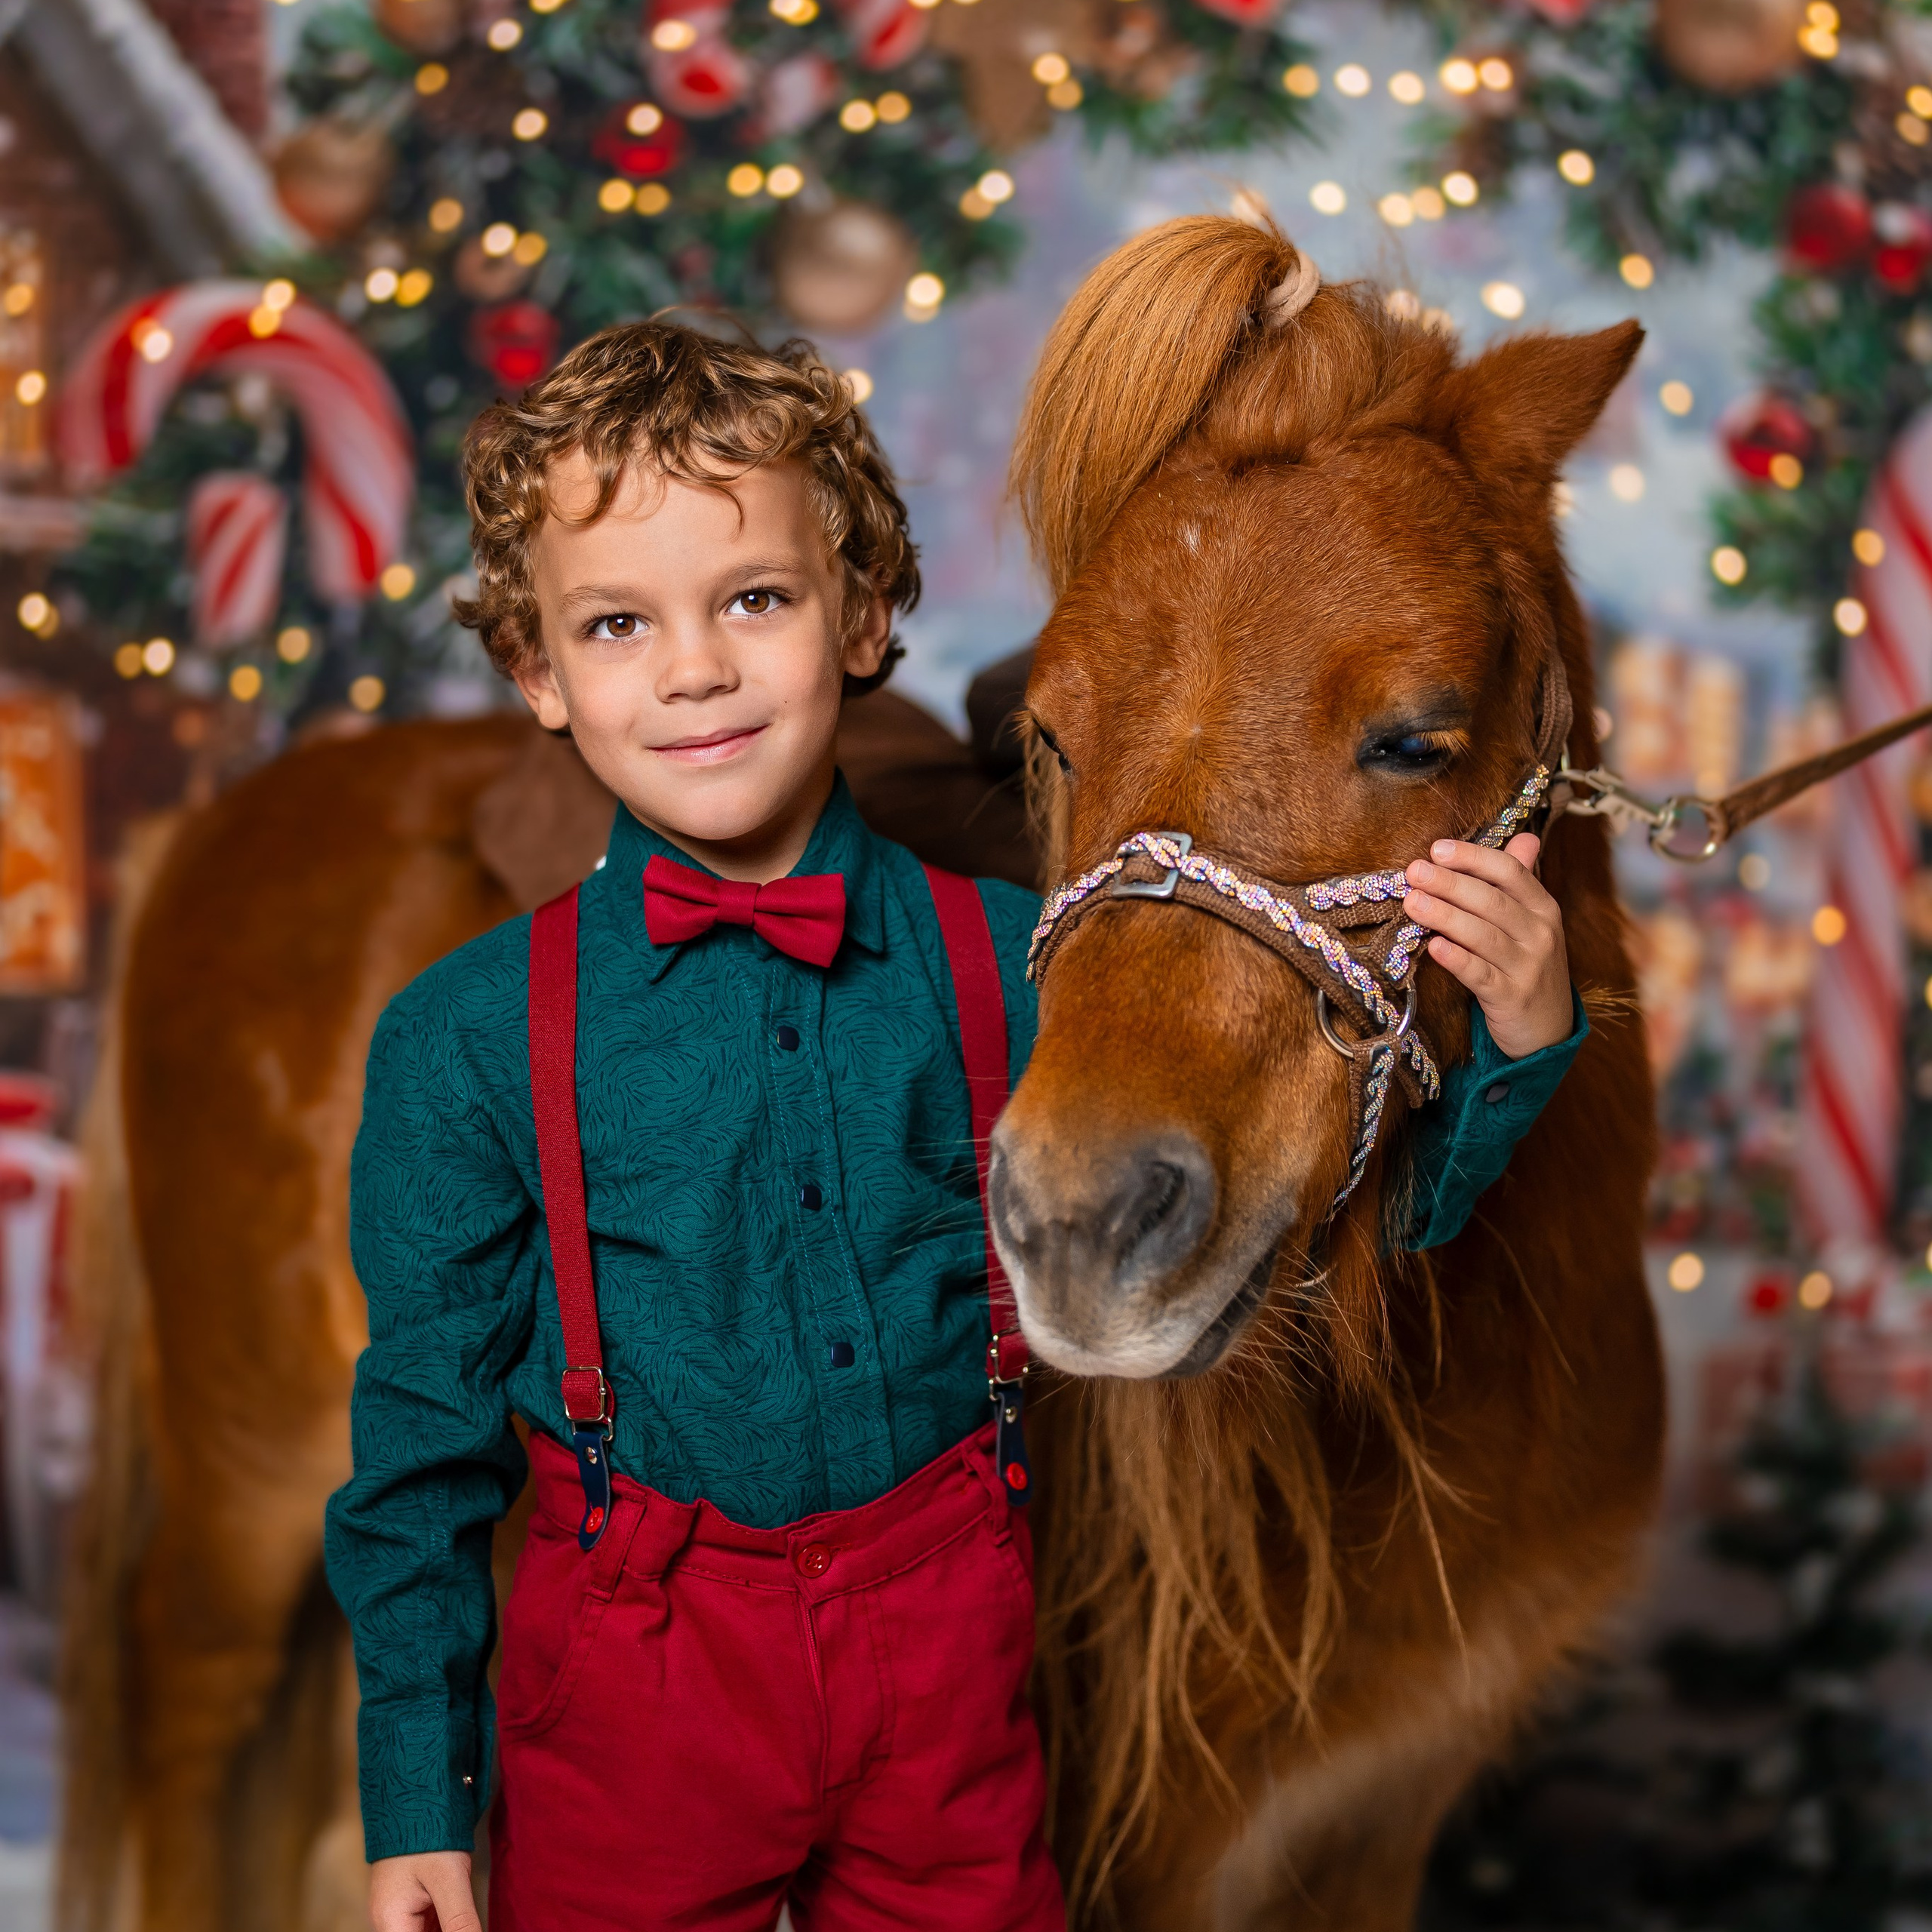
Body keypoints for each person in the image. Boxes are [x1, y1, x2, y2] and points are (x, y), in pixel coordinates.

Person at [324, 319, 1590, 1932]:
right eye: (619, 623)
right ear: (539, 678)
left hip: (949, 1651)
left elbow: (1364, 1214)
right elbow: (418, 1445)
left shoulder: (1026, 965)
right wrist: (415, 1798)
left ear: (862, 622)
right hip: (643, 1661)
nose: (695, 667)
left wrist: (1519, 1046)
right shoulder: (465, 1034)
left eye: (755, 599)